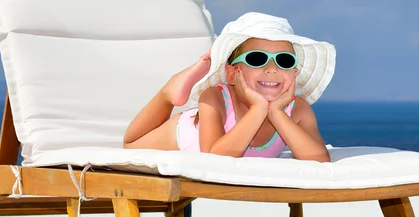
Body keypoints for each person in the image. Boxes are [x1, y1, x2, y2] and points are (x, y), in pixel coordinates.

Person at [123, 12, 334, 162]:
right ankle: (168, 93)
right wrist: (258, 110)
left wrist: (276, 112)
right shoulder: (214, 98)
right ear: (233, 73)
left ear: (294, 73)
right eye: (257, 58)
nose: (272, 68)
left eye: (284, 61)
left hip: (274, 112)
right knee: (131, 146)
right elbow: (216, 160)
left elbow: (318, 158)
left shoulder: (297, 110)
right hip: (184, 134)